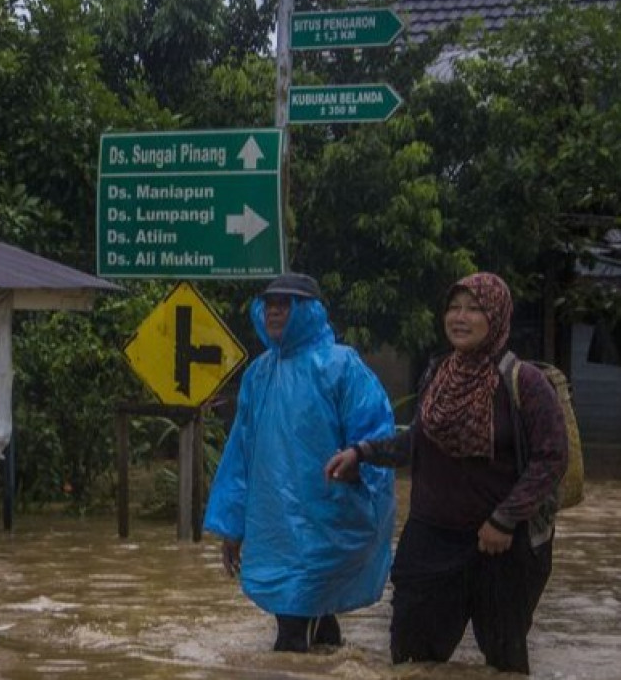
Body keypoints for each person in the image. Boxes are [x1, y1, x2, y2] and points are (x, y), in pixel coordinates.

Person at [325, 272, 567, 675]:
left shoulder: (526, 382)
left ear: (497, 316)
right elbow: (419, 441)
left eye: (474, 309)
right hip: (430, 543)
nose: (461, 317)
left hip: (501, 550)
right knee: (411, 660)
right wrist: (362, 451)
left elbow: (551, 458)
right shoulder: (438, 373)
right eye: (454, 307)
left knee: (504, 665)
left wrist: (504, 520)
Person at [204, 272, 397, 653]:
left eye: (285, 304)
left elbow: (377, 440)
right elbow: (240, 454)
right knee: (315, 631)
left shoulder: (341, 366)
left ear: (307, 311)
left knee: (292, 639)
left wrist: (360, 476)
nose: (275, 312)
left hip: (328, 526)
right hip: (275, 531)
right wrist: (232, 525)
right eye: (270, 304)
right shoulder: (258, 374)